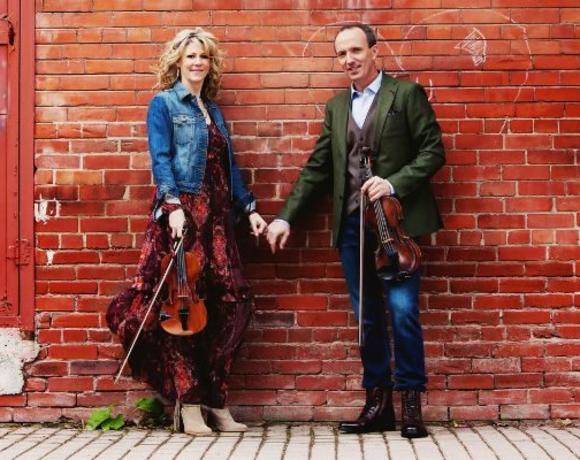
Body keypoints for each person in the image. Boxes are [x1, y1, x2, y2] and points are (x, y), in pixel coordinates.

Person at [267, 23, 445, 438]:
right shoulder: (336, 107)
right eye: (341, 54)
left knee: (402, 311)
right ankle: (378, 404)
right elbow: (317, 168)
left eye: (356, 50)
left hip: (394, 225)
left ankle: (411, 404)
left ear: (374, 51)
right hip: (352, 226)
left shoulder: (406, 95)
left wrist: (393, 183)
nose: (349, 59)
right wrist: (285, 217)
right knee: (366, 317)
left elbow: (433, 150)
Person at [106, 28, 267, 435]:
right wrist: (173, 207)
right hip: (183, 216)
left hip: (218, 221)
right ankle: (190, 402)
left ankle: (216, 399)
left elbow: (228, 168)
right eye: (190, 56)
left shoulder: (213, 110)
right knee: (181, 310)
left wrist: (248, 208)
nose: (197, 62)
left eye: (204, 57)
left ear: (211, 64)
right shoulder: (163, 104)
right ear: (177, 61)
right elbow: (160, 159)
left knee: (231, 307)